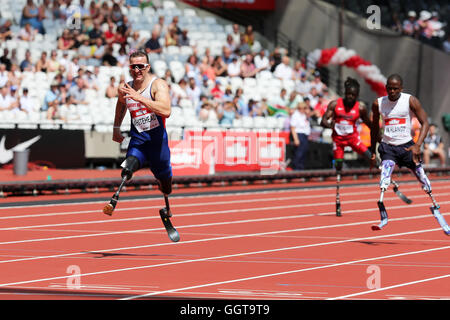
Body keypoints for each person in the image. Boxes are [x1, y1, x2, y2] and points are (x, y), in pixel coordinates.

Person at [104, 50, 177, 241]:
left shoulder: (157, 85)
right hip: (139, 142)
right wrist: (116, 128)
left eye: (141, 66)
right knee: (128, 167)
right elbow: (121, 104)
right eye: (133, 66)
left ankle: (166, 207)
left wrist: (140, 98)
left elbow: (166, 110)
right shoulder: (124, 88)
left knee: (166, 187)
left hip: (158, 145)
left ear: (148, 67)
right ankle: (116, 195)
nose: (137, 70)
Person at [369, 74, 449, 234]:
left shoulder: (410, 100)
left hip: (407, 147)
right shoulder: (378, 103)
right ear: (386, 88)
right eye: (389, 88)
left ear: (401, 88)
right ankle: (383, 216)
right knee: (384, 178)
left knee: (423, 179)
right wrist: (373, 151)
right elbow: (374, 128)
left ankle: (437, 210)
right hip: (388, 147)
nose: (392, 91)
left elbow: (425, 122)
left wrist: (418, 145)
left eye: (395, 88)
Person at [320, 77, 373, 216]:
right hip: (338, 141)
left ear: (357, 96)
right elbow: (323, 120)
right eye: (348, 94)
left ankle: (384, 176)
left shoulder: (360, 107)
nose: (350, 97)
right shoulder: (334, 104)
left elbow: (368, 123)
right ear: (345, 93)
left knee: (370, 156)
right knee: (338, 165)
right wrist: (331, 124)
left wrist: (378, 133)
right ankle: (338, 196)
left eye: (353, 95)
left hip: (353, 139)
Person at [290, 101, 311, 171]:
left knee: (304, 153)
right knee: (299, 154)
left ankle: (301, 169)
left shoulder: (304, 115)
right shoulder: (295, 115)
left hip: (305, 135)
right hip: (299, 135)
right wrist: (296, 139)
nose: (305, 110)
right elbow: (293, 128)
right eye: (304, 108)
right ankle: (296, 169)